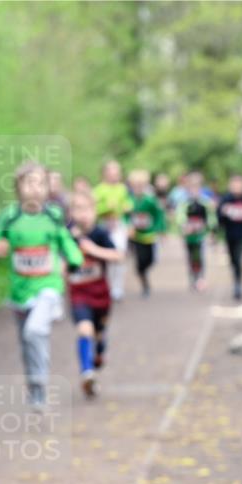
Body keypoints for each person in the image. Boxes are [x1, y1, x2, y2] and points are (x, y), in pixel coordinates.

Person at [0, 161, 83, 410]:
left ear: (48, 188)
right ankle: (36, 390)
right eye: (29, 183)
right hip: (20, 291)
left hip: (48, 285)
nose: (35, 189)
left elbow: (65, 240)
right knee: (27, 344)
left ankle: (41, 378)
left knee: (34, 332)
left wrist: (74, 260)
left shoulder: (54, 215)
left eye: (40, 183)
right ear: (18, 187)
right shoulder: (11, 216)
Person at [66, 191, 122, 397]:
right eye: (77, 209)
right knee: (84, 330)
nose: (82, 214)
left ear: (94, 211)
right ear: (71, 213)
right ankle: (86, 373)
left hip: (101, 296)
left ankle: (98, 353)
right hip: (79, 295)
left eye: (86, 209)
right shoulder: (66, 235)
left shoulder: (100, 233)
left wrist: (91, 249)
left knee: (98, 336)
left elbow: (118, 255)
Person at [91, 160, 132, 301]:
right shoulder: (98, 190)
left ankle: (117, 287)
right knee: (105, 257)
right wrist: (106, 207)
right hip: (103, 225)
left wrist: (126, 206)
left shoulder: (122, 189)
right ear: (105, 174)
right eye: (112, 172)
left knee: (119, 255)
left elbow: (128, 204)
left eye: (117, 172)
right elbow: (93, 209)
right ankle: (105, 285)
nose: (115, 175)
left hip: (118, 225)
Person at [217, 174, 242, 300]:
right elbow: (219, 219)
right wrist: (222, 214)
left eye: (240, 184)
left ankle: (238, 285)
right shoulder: (226, 199)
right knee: (233, 260)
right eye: (235, 184)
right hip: (229, 234)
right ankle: (236, 279)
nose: (238, 187)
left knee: (239, 259)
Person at [126, 169, 166, 297]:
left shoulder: (150, 200)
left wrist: (159, 229)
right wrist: (128, 226)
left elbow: (159, 215)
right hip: (136, 236)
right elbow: (125, 216)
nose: (137, 188)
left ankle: (143, 272)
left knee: (151, 260)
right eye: (135, 185)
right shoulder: (129, 200)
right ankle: (145, 285)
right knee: (140, 262)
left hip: (149, 236)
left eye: (140, 185)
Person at [175, 172, 217, 291]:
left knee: (200, 255)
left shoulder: (205, 202)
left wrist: (210, 230)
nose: (194, 189)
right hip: (189, 236)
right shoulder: (184, 202)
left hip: (200, 235)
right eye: (191, 187)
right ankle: (193, 277)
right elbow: (180, 216)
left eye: (196, 186)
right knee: (190, 256)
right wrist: (184, 226)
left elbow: (211, 217)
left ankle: (201, 278)